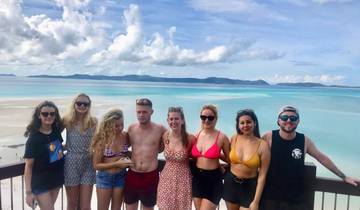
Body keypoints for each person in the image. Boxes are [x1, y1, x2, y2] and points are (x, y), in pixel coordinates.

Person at [260, 105, 360, 210]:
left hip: (295, 199)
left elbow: (322, 158)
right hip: (269, 197)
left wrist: (344, 177)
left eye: (293, 118)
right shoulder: (268, 137)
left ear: (298, 121)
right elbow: (254, 153)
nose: (288, 120)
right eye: (284, 118)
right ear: (278, 121)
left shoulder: (304, 140)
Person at [223, 109, 270, 210]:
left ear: (255, 123)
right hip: (231, 183)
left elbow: (262, 175)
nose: (245, 125)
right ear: (238, 125)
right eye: (242, 123)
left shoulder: (263, 145)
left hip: (250, 187)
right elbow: (229, 159)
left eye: (248, 122)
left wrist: (256, 201)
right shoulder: (234, 138)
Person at [124, 98, 167, 210]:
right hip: (132, 174)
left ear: (151, 112)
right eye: (139, 112)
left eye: (144, 112)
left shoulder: (160, 129)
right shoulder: (131, 128)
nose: (141, 115)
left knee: (148, 208)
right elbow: (122, 147)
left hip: (150, 176)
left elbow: (175, 140)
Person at [24, 101, 65, 210]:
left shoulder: (55, 132)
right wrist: (28, 193)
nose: (49, 116)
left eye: (52, 114)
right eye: (45, 114)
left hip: (56, 178)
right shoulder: (34, 138)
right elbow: (29, 166)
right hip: (40, 182)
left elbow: (56, 149)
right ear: (39, 115)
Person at [91, 109, 133, 210]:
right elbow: (96, 165)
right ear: (108, 125)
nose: (120, 128)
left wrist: (131, 160)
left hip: (121, 177)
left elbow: (135, 148)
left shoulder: (125, 136)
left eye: (122, 124)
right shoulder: (102, 140)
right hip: (105, 178)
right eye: (116, 126)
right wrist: (116, 164)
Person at [191, 104, 230, 210]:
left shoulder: (222, 137)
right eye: (203, 117)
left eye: (210, 118)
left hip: (213, 180)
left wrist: (217, 156)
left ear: (216, 119)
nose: (206, 120)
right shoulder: (196, 135)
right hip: (197, 178)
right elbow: (192, 157)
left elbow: (229, 159)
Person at [63, 93, 97, 210]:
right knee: (72, 204)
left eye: (85, 104)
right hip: (71, 162)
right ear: (74, 104)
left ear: (89, 106)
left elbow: (102, 140)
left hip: (88, 162)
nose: (82, 106)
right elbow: (52, 134)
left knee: (85, 206)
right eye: (79, 103)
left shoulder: (93, 122)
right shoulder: (67, 120)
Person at [157, 107, 195, 210]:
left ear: (182, 120)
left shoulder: (190, 139)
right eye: (171, 119)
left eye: (177, 119)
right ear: (168, 121)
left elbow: (198, 157)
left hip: (183, 181)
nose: (174, 121)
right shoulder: (165, 136)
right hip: (166, 179)